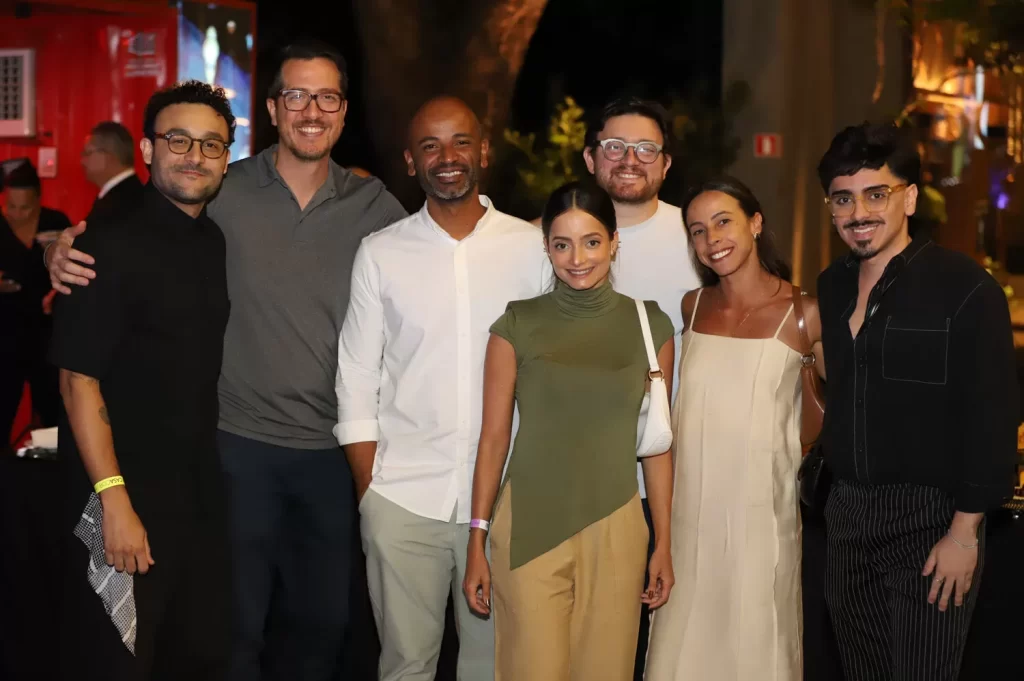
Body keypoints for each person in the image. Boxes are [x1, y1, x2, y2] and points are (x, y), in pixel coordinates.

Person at [45, 39, 406, 681]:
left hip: (328, 453)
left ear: (344, 111)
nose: (311, 110)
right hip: (233, 452)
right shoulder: (223, 189)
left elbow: (428, 274)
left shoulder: (374, 207)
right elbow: (121, 253)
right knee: (221, 632)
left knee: (321, 627)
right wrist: (61, 248)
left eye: (327, 97)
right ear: (272, 108)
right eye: (296, 95)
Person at [336, 95, 546, 681]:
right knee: (406, 667)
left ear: (484, 151)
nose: (447, 157)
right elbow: (357, 373)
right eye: (430, 145)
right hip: (403, 497)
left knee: (493, 668)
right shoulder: (381, 253)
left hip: (507, 501)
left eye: (460, 142)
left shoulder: (533, 250)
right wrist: (370, 491)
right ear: (410, 161)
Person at [815, 122, 1018, 681]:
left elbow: (993, 415)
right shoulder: (831, 286)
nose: (859, 212)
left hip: (932, 521)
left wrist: (964, 533)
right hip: (847, 517)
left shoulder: (966, 288)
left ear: (908, 198)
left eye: (876, 194)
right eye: (843, 198)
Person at [52, 80, 234, 681]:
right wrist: (114, 499)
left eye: (211, 144)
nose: (194, 155)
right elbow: (77, 380)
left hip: (193, 495)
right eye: (178, 139)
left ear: (226, 158)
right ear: (148, 149)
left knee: (184, 656)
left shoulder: (212, 240)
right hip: (119, 494)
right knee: (119, 659)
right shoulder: (105, 243)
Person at [462, 180, 676, 681]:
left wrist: (663, 542)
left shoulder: (652, 326)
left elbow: (659, 446)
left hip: (618, 528)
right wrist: (477, 539)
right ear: (547, 247)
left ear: (614, 242)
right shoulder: (516, 324)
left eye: (591, 241)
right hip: (529, 525)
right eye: (562, 244)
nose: (577, 258)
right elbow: (493, 440)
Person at [644, 176, 823, 681]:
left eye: (724, 221)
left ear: (756, 223)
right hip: (689, 517)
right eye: (698, 230)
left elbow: (855, 404)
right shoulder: (692, 307)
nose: (712, 239)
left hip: (762, 522)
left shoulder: (806, 314)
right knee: (680, 655)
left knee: (756, 651)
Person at [580, 96, 701, 676]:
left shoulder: (698, 238)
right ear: (590, 158)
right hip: (575, 480)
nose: (630, 159)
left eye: (646, 149)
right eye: (614, 147)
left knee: (658, 651)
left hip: (676, 482)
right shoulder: (553, 236)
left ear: (666, 163)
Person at [0, 162, 69, 442]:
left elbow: (73, 275)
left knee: (52, 411)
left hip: (46, 335)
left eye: (25, 207)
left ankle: (49, 463)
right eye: (11, 206)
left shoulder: (55, 223)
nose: (17, 214)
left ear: (39, 200)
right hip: (5, 335)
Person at [81, 122, 144, 222]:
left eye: (87, 153)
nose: (82, 161)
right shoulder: (131, 195)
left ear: (108, 155)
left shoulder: (123, 204)